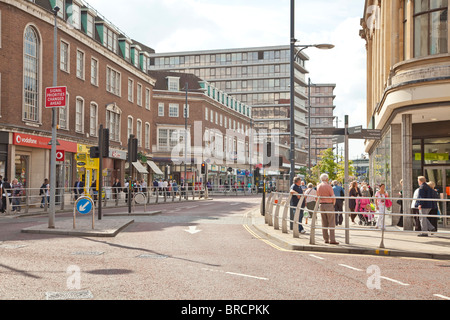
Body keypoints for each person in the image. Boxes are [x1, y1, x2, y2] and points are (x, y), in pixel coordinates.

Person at [316, 173, 338, 245]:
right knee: (331, 222)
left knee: (324, 222)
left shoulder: (318, 186)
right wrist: (333, 203)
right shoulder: (329, 186)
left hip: (322, 205)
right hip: (329, 204)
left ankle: (325, 239)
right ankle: (332, 239)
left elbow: (317, 196)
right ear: (327, 179)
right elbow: (333, 196)